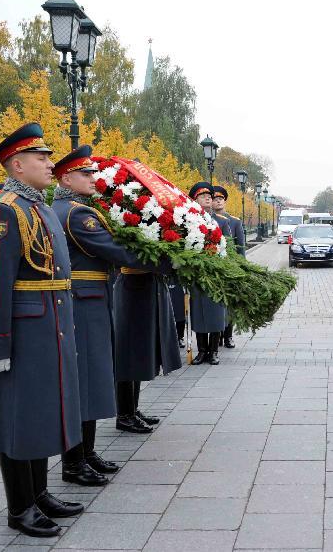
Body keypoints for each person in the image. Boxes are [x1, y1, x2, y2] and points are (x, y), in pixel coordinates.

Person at [0, 123, 84, 537]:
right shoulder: (4, 209)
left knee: (41, 413)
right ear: (17, 165)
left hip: (47, 325)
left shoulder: (41, 207)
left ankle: (38, 492)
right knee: (18, 418)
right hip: (20, 328)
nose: (51, 164)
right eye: (42, 158)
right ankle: (20, 507)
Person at [52, 146, 155, 484]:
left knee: (92, 378)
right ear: (66, 178)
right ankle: (74, 462)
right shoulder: (77, 214)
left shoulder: (73, 209)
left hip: (91, 299)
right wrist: (161, 257)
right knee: (85, 379)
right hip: (84, 302)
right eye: (86, 174)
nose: (93, 179)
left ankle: (86, 453)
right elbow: (113, 250)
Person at [112, 171, 184, 431]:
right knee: (128, 352)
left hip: (148, 285)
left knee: (141, 351)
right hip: (132, 287)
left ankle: (133, 408)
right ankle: (124, 414)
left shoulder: (148, 211)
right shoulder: (121, 212)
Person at [187, 182, 227, 365]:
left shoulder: (222, 222)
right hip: (197, 274)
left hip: (216, 275)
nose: (208, 198)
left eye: (210, 196)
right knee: (199, 313)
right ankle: (201, 351)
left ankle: (213, 351)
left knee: (216, 313)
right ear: (195, 199)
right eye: (203, 196)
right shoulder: (188, 219)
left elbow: (230, 249)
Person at [212, 185, 245, 349]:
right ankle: (216, 336)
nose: (218, 201)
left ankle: (228, 336)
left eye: (221, 199)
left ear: (224, 201)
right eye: (215, 199)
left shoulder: (234, 221)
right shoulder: (206, 219)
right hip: (214, 267)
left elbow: (241, 247)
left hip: (230, 267)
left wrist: (241, 267)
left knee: (229, 303)